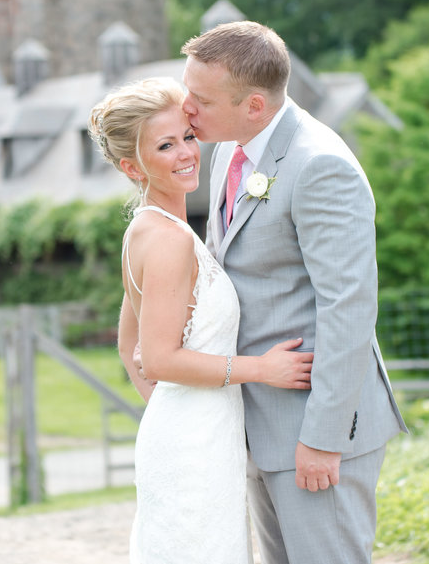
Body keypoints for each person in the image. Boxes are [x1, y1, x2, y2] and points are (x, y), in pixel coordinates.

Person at [181, 21, 409, 564]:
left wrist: (324, 438)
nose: (185, 108)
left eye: (200, 99)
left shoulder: (319, 166)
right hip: (260, 421)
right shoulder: (228, 152)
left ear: (254, 105)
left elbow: (349, 308)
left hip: (314, 427)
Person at [87, 76, 314, 564]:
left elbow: (131, 347)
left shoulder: (148, 229)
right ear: (132, 166)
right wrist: (260, 369)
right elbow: (161, 358)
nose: (187, 152)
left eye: (187, 137)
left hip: (193, 436)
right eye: (165, 145)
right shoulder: (167, 240)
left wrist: (175, 412)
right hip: (193, 450)